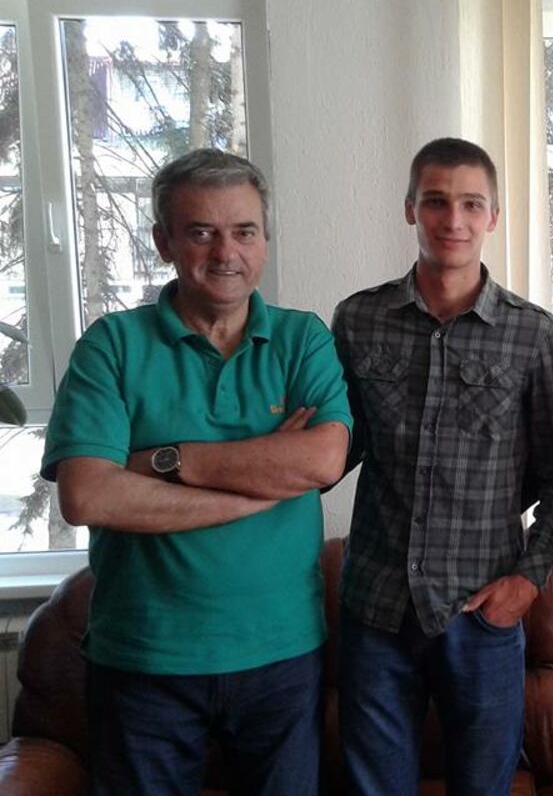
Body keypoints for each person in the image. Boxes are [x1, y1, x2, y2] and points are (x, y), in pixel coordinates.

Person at [41, 148, 352, 796]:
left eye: (244, 231)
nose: (225, 252)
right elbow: (89, 495)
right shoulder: (111, 345)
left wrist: (168, 461)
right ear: (164, 242)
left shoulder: (303, 340)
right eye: (201, 232)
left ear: (264, 240)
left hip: (281, 655)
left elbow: (323, 459)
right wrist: (259, 489)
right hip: (143, 658)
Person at [333, 137, 553, 796]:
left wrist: (527, 582)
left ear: (493, 217)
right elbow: (336, 450)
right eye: (436, 202)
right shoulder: (358, 320)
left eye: (472, 204)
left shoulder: (534, 335)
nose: (454, 220)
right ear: (410, 209)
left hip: (480, 614)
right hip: (375, 610)